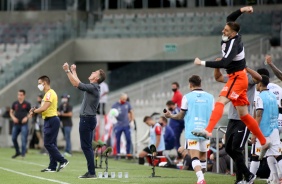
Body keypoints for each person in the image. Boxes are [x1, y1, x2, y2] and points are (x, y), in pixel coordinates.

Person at [192, 6, 269, 164]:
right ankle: (263, 141)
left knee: (221, 101)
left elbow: (226, 62)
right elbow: (230, 16)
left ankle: (208, 131)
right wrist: (243, 9)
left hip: (238, 78)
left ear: (233, 33)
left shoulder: (235, 44)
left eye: (226, 30)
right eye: (224, 29)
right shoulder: (231, 34)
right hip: (236, 78)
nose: (223, 31)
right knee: (244, 115)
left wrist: (202, 63)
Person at [214, 66, 261, 183]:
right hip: (232, 118)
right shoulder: (232, 79)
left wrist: (247, 68)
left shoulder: (248, 77)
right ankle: (245, 175)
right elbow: (219, 78)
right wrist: (216, 67)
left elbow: (258, 78)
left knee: (236, 149)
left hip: (243, 119)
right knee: (229, 149)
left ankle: (244, 177)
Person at [164, 75, 214, 184]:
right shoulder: (210, 97)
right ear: (200, 83)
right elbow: (214, 114)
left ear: (190, 84)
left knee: (194, 156)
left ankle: (200, 179)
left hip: (192, 130)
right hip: (206, 131)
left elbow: (181, 115)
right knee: (203, 158)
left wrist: (170, 115)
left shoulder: (187, 97)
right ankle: (201, 177)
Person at [62, 62, 105, 179]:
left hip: (87, 119)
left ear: (96, 78)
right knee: (87, 146)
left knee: (86, 147)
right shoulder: (93, 87)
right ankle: (91, 171)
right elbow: (78, 84)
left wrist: (67, 71)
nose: (92, 72)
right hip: (88, 119)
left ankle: (91, 172)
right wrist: (74, 72)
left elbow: (76, 84)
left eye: (94, 72)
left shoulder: (93, 87)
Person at [29, 76, 69, 172]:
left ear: (44, 83)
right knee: (52, 144)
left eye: (39, 83)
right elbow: (42, 108)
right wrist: (35, 109)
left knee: (48, 143)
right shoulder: (47, 94)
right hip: (49, 119)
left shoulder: (50, 93)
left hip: (52, 119)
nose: (38, 85)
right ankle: (52, 166)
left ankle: (63, 160)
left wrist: (34, 111)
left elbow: (44, 108)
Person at [252, 75, 282, 183]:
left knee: (255, 155)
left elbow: (259, 115)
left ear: (260, 84)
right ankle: (276, 179)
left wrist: (254, 133)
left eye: (256, 83)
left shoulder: (260, 97)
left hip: (263, 131)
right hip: (274, 129)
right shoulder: (273, 96)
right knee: (277, 155)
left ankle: (250, 179)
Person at [10, 89, 31, 159]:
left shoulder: (27, 104)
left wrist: (26, 118)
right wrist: (13, 118)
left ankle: (23, 154)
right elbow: (11, 112)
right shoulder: (15, 103)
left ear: (24, 95)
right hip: (16, 124)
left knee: (23, 139)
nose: (19, 96)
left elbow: (31, 113)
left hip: (24, 124)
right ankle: (17, 151)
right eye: (18, 95)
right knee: (13, 138)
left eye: (21, 95)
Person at [112, 93, 134, 158]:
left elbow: (131, 112)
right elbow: (111, 113)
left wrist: (132, 121)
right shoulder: (115, 105)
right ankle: (118, 154)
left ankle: (128, 153)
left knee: (128, 138)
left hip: (126, 125)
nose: (124, 100)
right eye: (123, 99)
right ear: (120, 98)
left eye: (125, 99)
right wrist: (113, 119)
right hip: (118, 125)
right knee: (118, 139)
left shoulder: (127, 104)